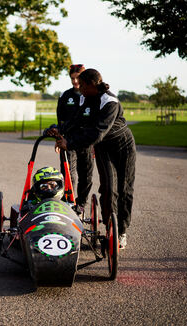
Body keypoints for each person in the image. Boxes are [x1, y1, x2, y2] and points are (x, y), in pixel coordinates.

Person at [54, 68, 136, 249]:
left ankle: (121, 231)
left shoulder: (110, 102)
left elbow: (97, 133)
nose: (79, 88)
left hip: (123, 146)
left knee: (124, 189)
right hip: (103, 147)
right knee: (108, 188)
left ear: (92, 85)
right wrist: (60, 134)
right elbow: (76, 121)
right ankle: (110, 227)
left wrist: (70, 144)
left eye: (82, 85)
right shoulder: (85, 97)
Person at [56, 64, 93, 214]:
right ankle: (68, 201)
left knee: (85, 173)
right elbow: (60, 120)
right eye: (72, 78)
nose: (75, 81)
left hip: (86, 140)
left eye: (78, 78)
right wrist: (59, 139)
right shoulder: (65, 96)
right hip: (68, 140)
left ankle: (81, 203)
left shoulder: (91, 96)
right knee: (68, 172)